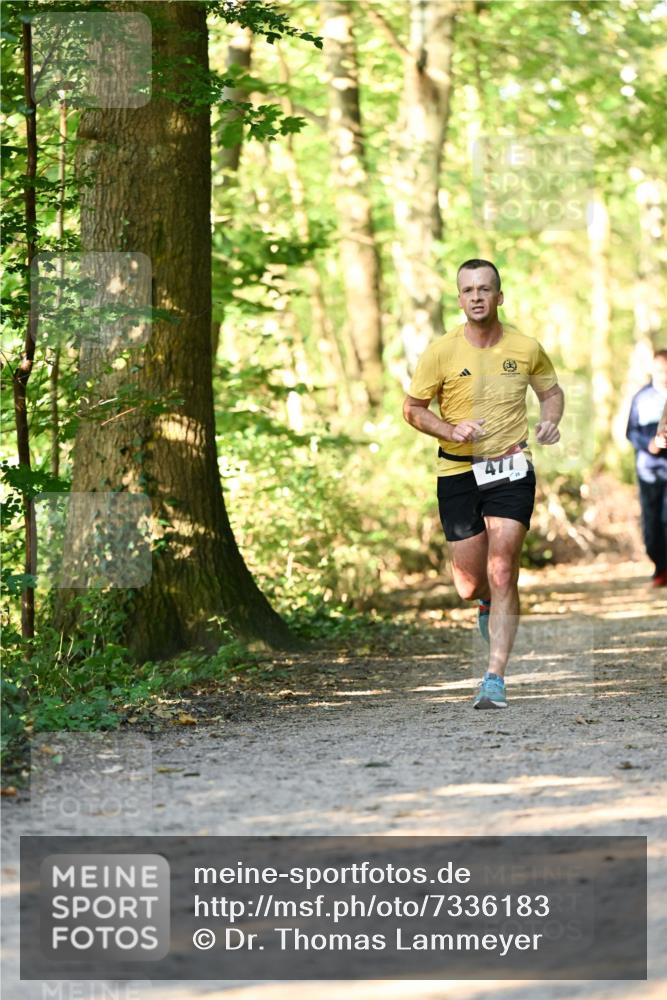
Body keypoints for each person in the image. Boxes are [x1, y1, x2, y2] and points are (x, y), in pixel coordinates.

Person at [403, 259, 564, 709]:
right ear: (460, 299)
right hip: (457, 471)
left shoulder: (525, 347)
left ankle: (494, 677)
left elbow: (551, 392)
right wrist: (448, 429)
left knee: (503, 566)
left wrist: (550, 420)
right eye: (468, 290)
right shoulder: (440, 352)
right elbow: (412, 409)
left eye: (485, 288)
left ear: (499, 296)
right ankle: (488, 603)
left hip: (511, 467)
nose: (477, 296)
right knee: (471, 585)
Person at [625, 349, 667, 587]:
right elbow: (631, 432)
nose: (664, 375)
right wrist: (651, 443)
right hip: (649, 471)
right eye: (660, 370)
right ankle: (660, 567)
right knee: (651, 525)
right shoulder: (642, 397)